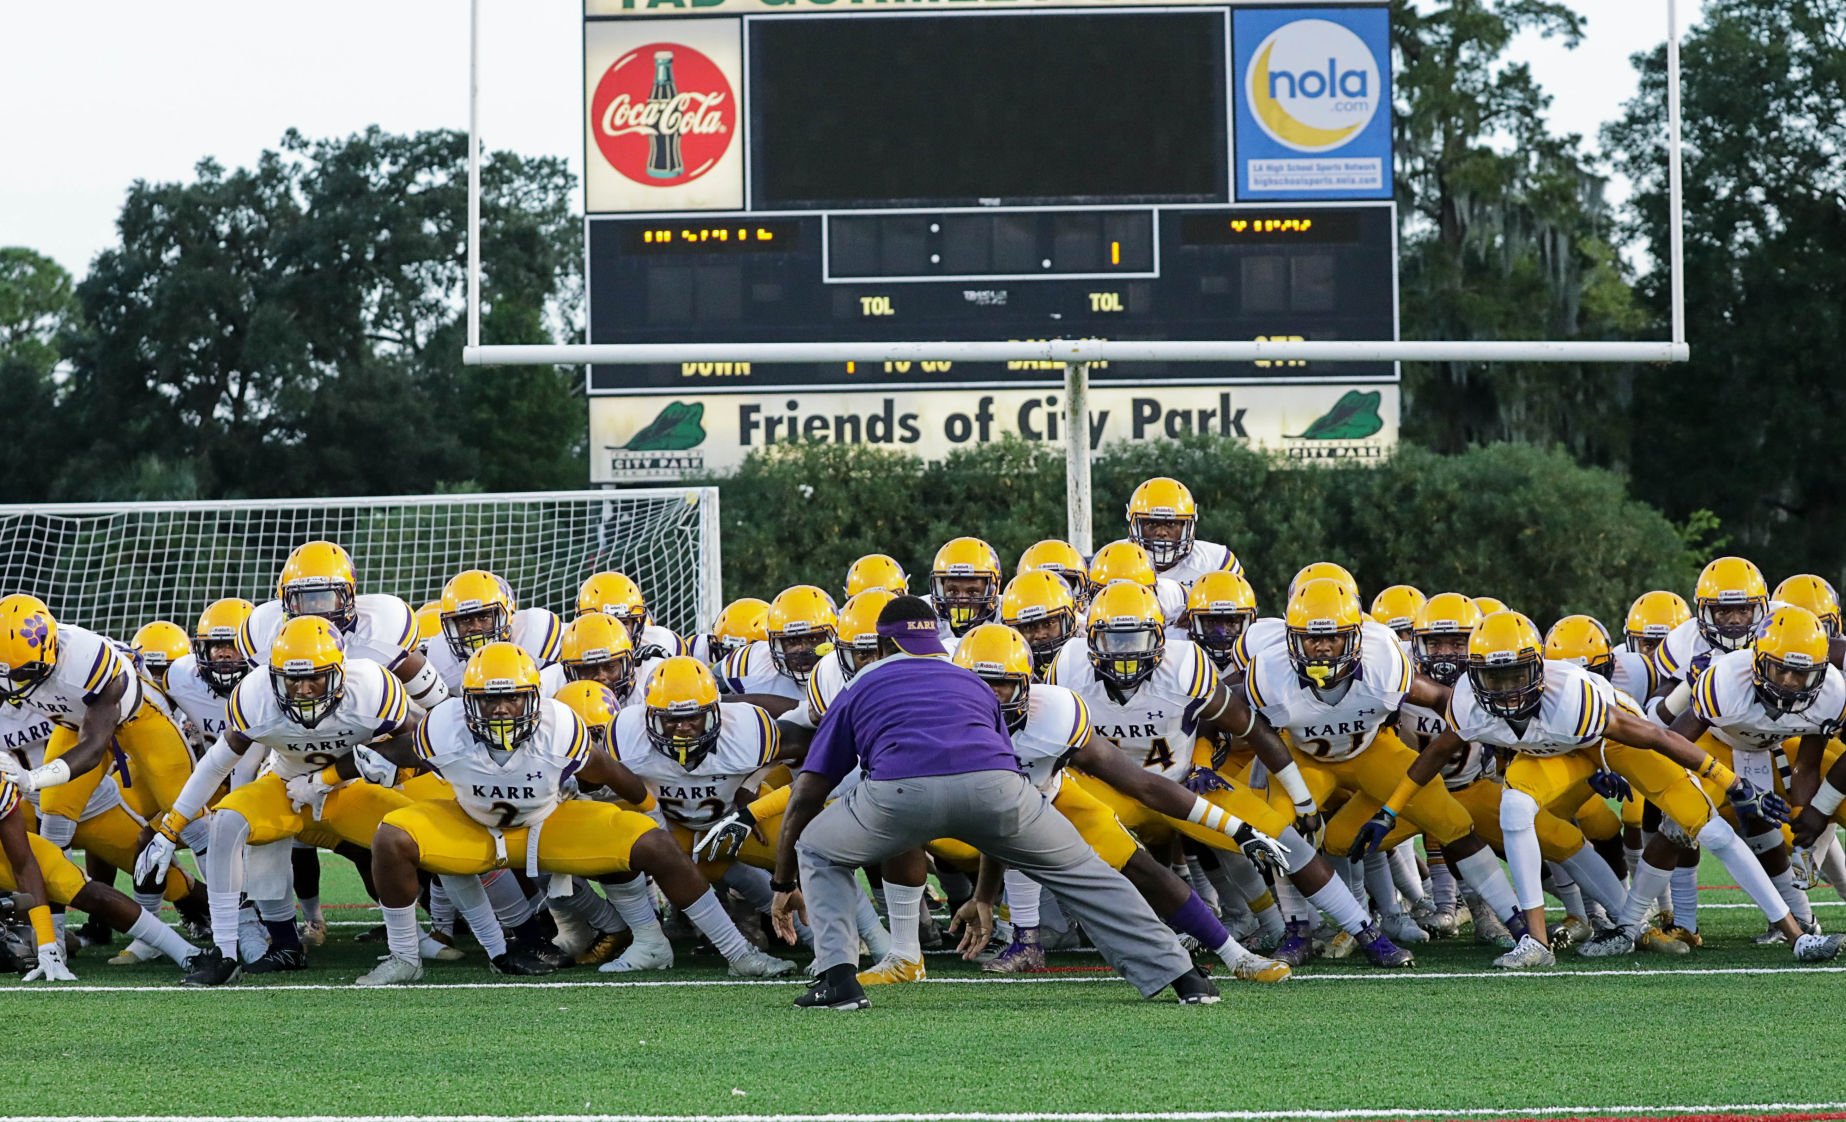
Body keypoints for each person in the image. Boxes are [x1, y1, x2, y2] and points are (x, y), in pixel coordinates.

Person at [769, 596, 1215, 1010]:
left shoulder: (862, 682)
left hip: (899, 794)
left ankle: (839, 980)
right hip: (1000, 790)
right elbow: (998, 769)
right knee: (1087, 872)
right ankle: (1184, 976)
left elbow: (810, 791)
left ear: (885, 644)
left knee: (819, 848)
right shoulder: (972, 680)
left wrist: (783, 882)